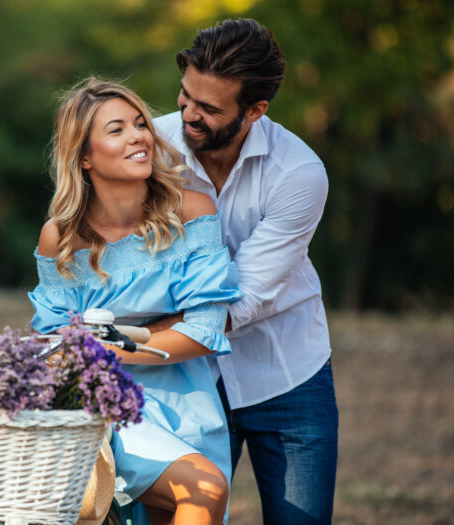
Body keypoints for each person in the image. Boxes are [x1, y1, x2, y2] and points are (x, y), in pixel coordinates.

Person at [28, 77, 242, 525]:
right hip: (105, 407)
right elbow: (52, 339)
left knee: (192, 502)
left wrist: (104, 348)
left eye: (140, 123)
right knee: (204, 489)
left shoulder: (193, 211)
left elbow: (206, 328)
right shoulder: (62, 239)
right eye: (117, 129)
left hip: (188, 404)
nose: (138, 136)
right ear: (84, 157)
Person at [152, 18, 339, 524]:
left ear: (256, 110)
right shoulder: (153, 149)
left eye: (209, 109)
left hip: (287, 375)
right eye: (185, 97)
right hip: (189, 379)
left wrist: (137, 338)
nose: (188, 116)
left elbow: (247, 297)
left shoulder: (299, 173)